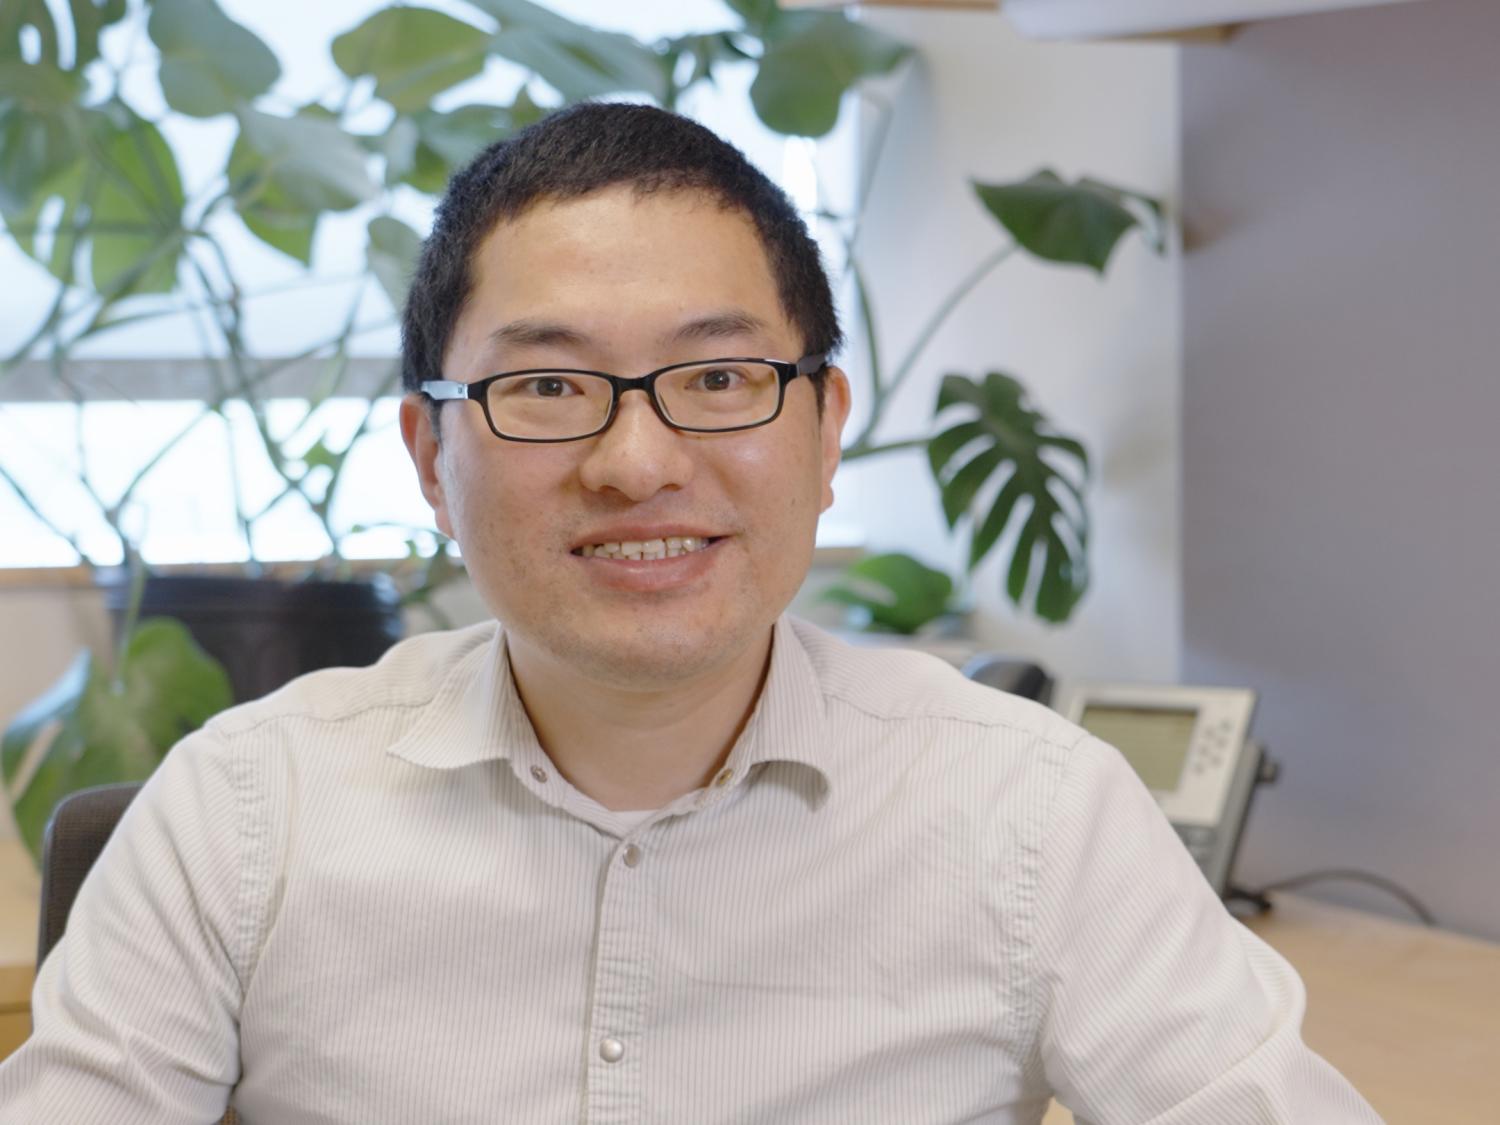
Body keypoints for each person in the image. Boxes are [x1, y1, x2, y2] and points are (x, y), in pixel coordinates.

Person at [0, 103, 1382, 1124]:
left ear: (825, 429)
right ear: (430, 456)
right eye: (547, 386)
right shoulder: (248, 810)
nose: (637, 461)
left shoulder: (1032, 810)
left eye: (718, 379)